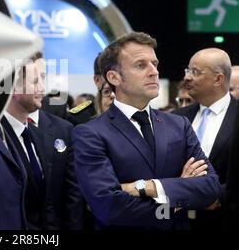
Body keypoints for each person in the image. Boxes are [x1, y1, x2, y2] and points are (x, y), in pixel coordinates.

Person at [73, 32, 221, 230]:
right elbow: (109, 207)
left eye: (155, 63)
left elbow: (210, 188)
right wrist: (178, 197)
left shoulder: (179, 125)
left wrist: (146, 187)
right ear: (114, 77)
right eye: (140, 65)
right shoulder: (90, 133)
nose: (153, 71)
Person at [1, 53, 84, 230]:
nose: (42, 88)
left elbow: (71, 195)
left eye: (43, 78)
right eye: (35, 80)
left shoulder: (58, 129)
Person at [173, 48, 237, 229]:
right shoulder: (177, 118)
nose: (187, 77)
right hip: (179, 219)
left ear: (218, 79)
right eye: (187, 70)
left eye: (195, 72)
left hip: (224, 218)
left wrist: (215, 196)